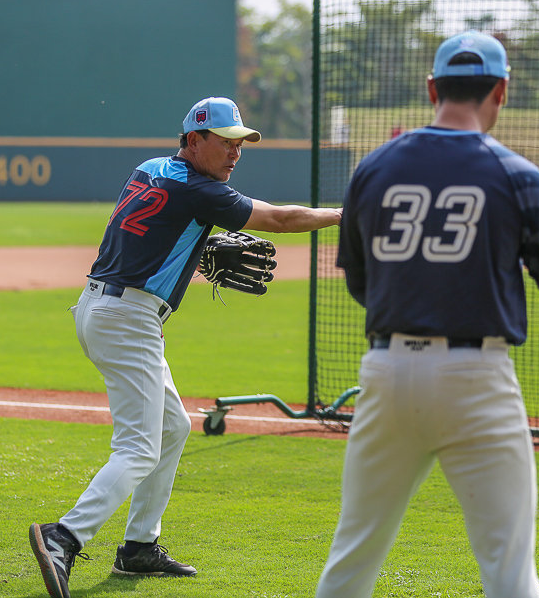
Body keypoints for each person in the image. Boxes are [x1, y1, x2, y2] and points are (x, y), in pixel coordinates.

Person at [29, 96, 342, 598]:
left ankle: (139, 547)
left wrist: (191, 245)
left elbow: (152, 228)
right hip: (128, 318)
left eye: (240, 143)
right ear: (194, 140)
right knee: (138, 448)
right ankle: (63, 537)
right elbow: (282, 220)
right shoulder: (203, 190)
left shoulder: (151, 168)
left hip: (101, 306)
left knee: (173, 426)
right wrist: (343, 215)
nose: (235, 152)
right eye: (225, 141)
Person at [317, 30, 539, 598]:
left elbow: (361, 281)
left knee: (352, 556)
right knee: (509, 569)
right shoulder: (517, 173)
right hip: (476, 377)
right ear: (501, 90)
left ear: (432, 88)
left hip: (387, 372)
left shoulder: (373, 167)